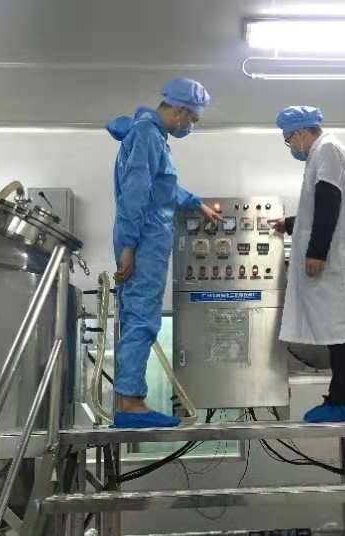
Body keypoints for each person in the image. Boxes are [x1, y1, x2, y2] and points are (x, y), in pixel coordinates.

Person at [106, 77, 221, 428]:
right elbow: (136, 193)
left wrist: (196, 203)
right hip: (143, 240)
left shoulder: (152, 137)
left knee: (139, 317)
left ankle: (129, 400)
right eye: (192, 119)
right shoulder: (146, 135)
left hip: (146, 239)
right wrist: (129, 247)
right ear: (181, 111)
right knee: (142, 319)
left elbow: (162, 187)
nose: (190, 126)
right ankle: (130, 403)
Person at [272, 106, 345, 423]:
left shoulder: (327, 149)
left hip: (335, 263)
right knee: (335, 329)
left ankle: (344, 400)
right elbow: (318, 209)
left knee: (340, 331)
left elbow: (329, 200)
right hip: (334, 261)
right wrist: (289, 224)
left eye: (289, 139)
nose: (291, 146)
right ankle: (340, 397)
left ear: (301, 132)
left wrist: (317, 252)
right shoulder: (323, 152)